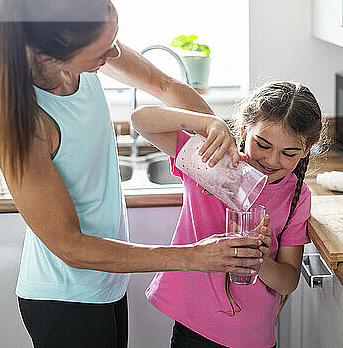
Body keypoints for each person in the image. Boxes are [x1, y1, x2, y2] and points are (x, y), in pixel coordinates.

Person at [0, 0, 266, 348]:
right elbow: (71, 246)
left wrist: (216, 130)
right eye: (103, 51)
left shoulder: (85, 45)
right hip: (65, 299)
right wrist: (192, 257)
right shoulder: (18, 116)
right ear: (52, 55)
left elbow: (164, 85)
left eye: (114, 38)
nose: (115, 53)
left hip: (107, 284)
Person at [131, 81, 324, 348]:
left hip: (254, 336)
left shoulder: (297, 196)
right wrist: (209, 123)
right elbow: (140, 120)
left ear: (305, 152)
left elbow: (288, 282)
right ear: (244, 130)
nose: (271, 160)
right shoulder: (211, 162)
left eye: (288, 153)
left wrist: (261, 261)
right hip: (194, 330)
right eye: (263, 145)